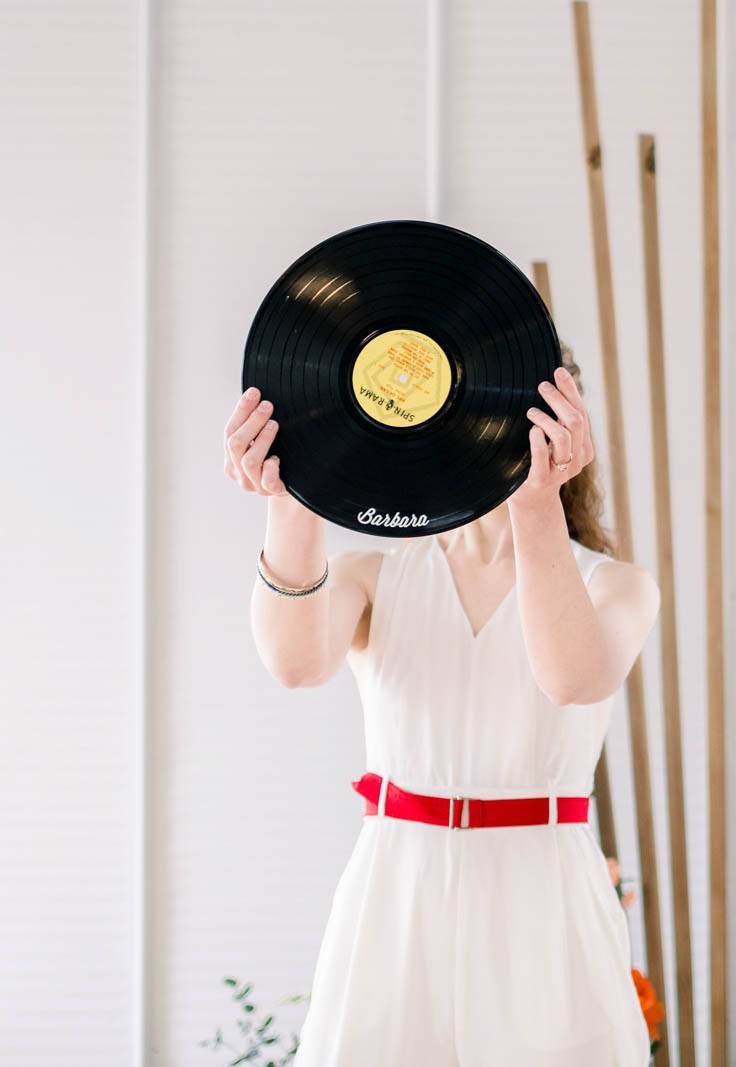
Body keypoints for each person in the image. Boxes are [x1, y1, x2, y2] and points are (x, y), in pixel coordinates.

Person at [223, 357, 659, 1066]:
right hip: (397, 895)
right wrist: (292, 490)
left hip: (543, 898)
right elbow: (296, 662)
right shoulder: (376, 573)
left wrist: (534, 499)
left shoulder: (618, 586)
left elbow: (571, 677)